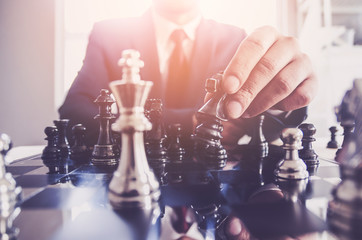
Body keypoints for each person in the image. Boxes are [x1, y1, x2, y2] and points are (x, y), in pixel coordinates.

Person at [59, 0, 317, 146]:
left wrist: (280, 97)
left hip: (213, 184)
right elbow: (75, 112)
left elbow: (260, 124)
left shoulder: (236, 40)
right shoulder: (108, 35)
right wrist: (194, 122)